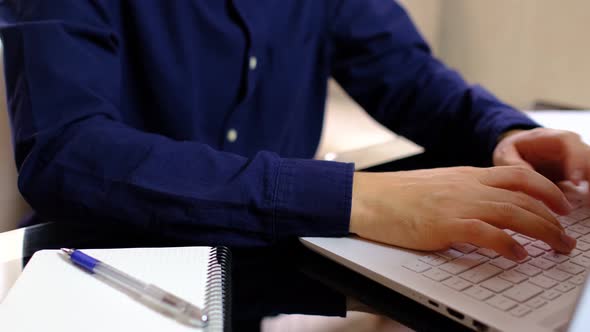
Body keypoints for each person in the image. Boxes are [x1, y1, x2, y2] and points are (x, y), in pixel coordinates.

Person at [0, 1, 588, 261]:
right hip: (100, 269)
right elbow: (66, 149)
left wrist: (502, 130)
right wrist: (350, 195)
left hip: (261, 266)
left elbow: (404, 73)